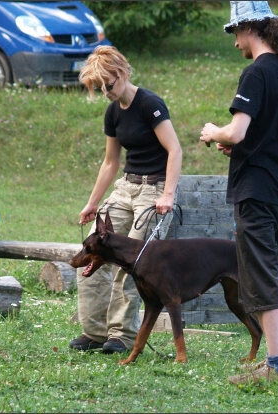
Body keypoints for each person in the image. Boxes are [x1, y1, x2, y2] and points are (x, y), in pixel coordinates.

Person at [200, 1, 278, 385]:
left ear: (250, 27)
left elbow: (237, 130)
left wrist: (216, 132)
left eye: (235, 33)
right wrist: (248, 144)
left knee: (261, 278)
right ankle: (273, 359)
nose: (235, 43)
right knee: (269, 275)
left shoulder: (255, 73)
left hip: (255, 191)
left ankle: (277, 367)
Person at [70, 45, 183, 354]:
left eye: (107, 84)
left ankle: (121, 335)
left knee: (131, 260)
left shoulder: (150, 105)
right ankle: (93, 331)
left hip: (154, 189)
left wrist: (168, 194)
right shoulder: (113, 112)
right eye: (99, 87)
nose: (105, 92)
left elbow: (175, 150)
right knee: (91, 251)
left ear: (120, 74)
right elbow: (110, 162)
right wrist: (93, 203)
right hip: (126, 187)